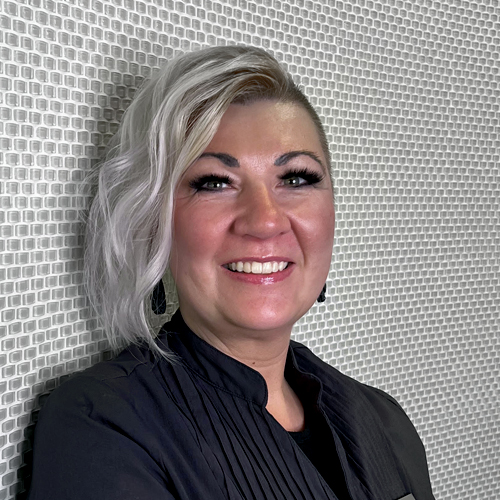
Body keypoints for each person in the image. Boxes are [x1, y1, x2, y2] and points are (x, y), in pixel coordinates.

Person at [27, 45, 434, 500]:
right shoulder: (105, 426)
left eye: (296, 178)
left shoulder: (384, 420)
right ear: (155, 223)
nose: (265, 221)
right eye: (214, 183)